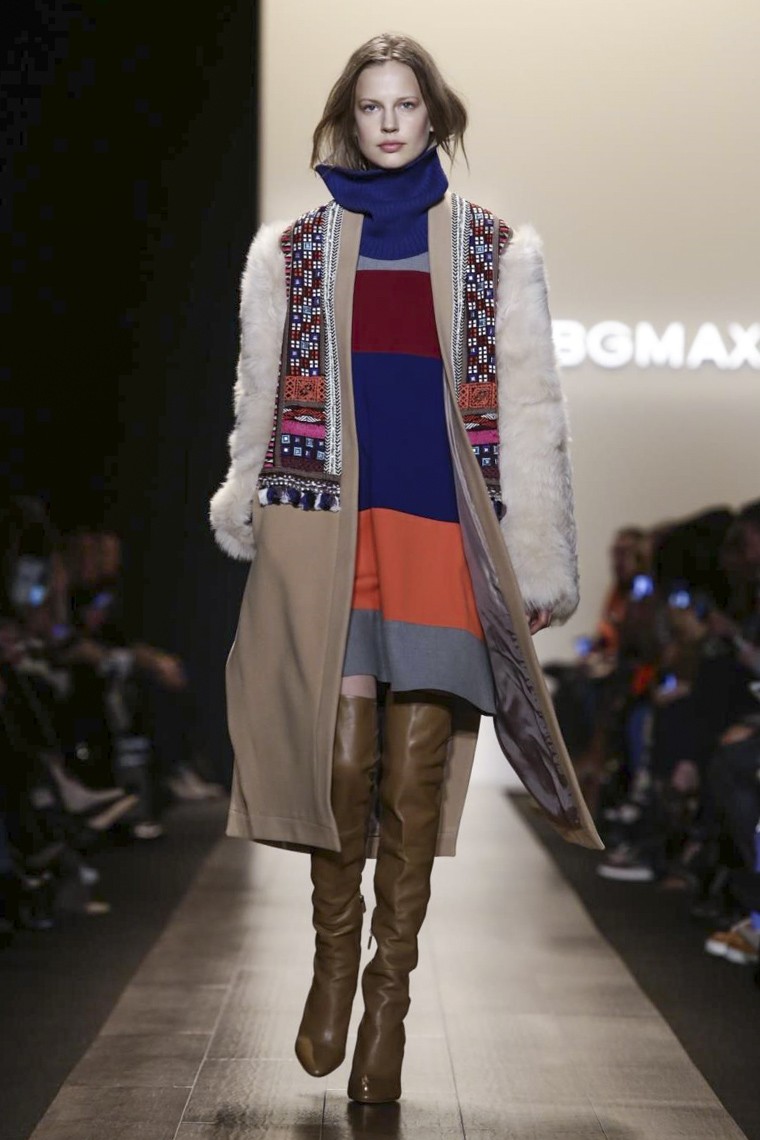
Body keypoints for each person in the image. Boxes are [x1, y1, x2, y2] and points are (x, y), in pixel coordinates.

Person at [210, 32, 602, 1104]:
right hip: (331, 526)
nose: (389, 123)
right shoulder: (292, 251)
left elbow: (530, 406)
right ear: (350, 117)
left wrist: (536, 559)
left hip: (439, 529)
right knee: (341, 766)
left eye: (406, 105)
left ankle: (389, 996)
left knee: (414, 782)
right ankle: (334, 962)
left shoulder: (492, 249)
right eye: (371, 106)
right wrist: (250, 504)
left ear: (435, 116)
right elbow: (260, 396)